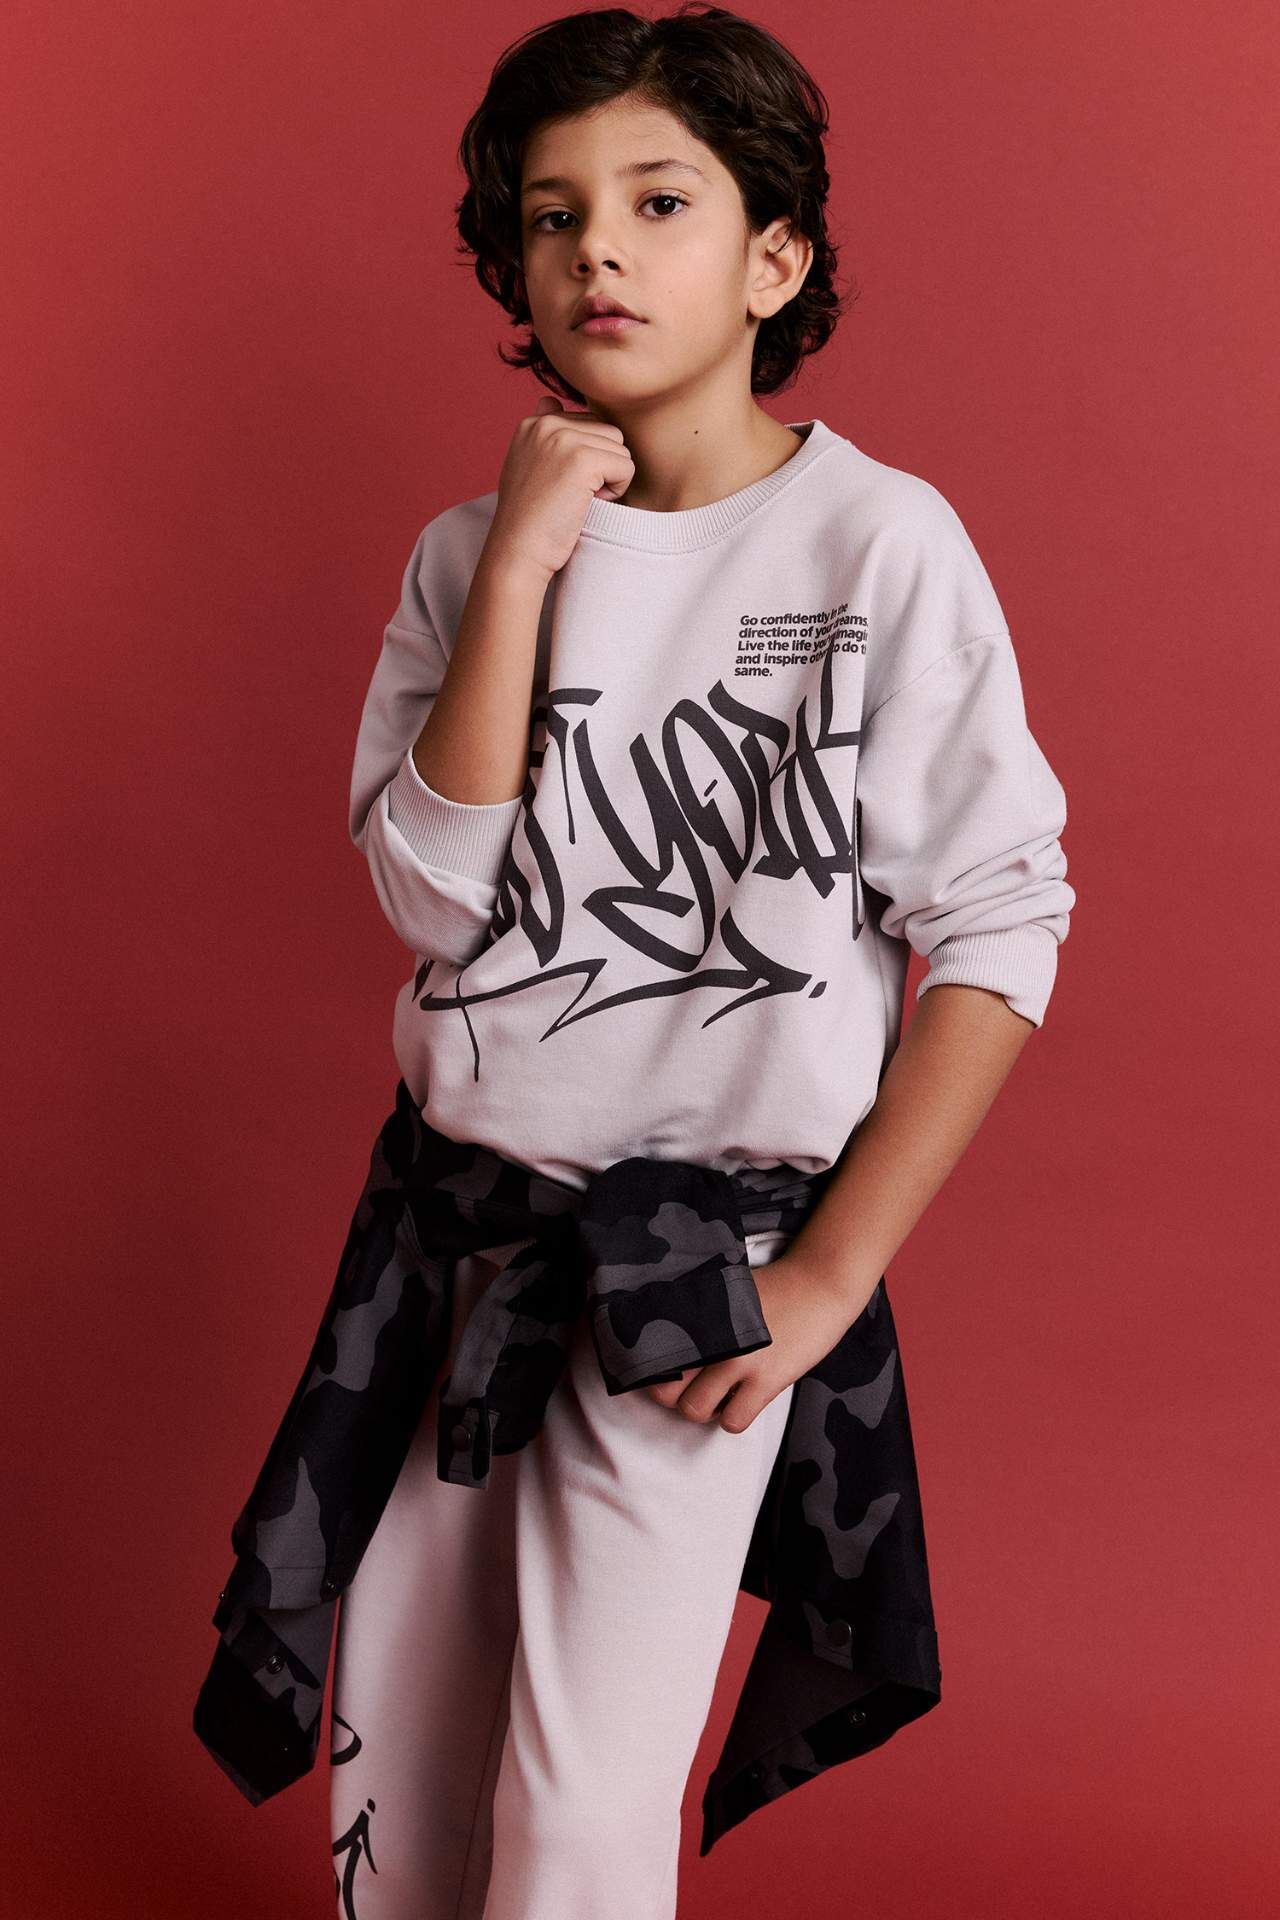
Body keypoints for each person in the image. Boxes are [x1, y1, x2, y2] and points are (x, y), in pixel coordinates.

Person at [331, 6, 1076, 1916]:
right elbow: (431, 901)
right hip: (456, 1236)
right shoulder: (463, 555)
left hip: (690, 1273)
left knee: (580, 1801)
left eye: (661, 202)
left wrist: (829, 1275)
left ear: (775, 258)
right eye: (553, 212)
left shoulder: (876, 544)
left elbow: (998, 917)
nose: (599, 247)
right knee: (400, 1754)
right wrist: (522, 567)